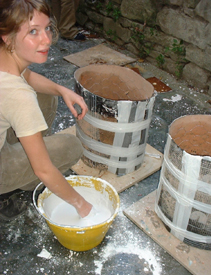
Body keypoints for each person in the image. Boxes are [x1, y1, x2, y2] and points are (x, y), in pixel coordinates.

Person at [0, 0, 92, 221]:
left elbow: (27, 76)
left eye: (47, 28)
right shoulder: (18, 96)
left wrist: (62, 90)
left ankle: (29, 153)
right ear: (7, 36)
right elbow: (43, 169)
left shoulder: (5, 57)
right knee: (71, 147)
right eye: (33, 32)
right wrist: (84, 206)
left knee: (47, 97)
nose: (47, 39)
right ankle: (20, 183)